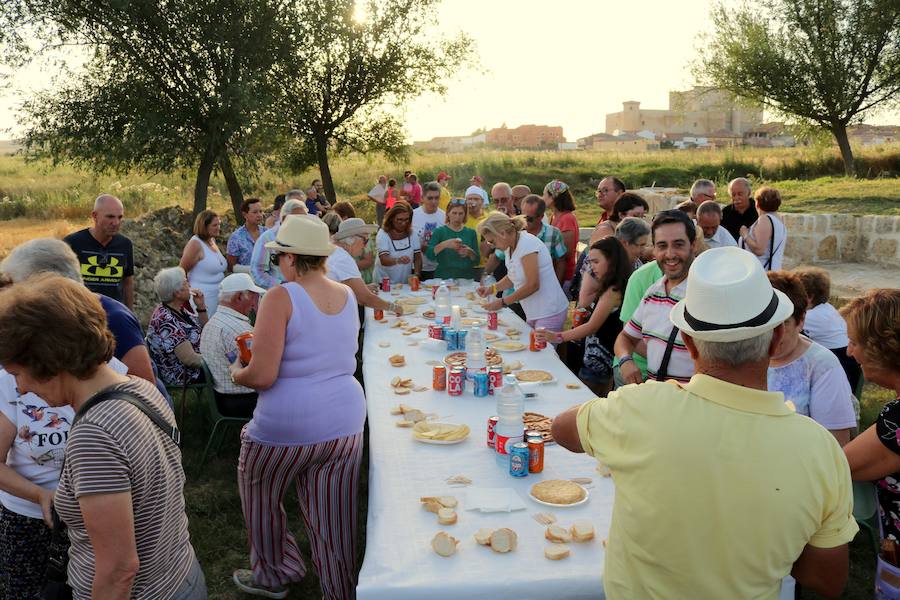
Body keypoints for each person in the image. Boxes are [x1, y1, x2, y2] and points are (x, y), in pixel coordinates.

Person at [552, 247, 857, 600]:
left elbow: (562, 429)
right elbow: (828, 580)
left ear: (688, 343)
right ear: (775, 338)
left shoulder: (641, 407)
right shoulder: (820, 449)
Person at [0, 276, 206, 599]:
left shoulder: (94, 435)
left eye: (17, 374)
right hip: (180, 574)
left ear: (49, 360)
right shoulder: (140, 389)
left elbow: (118, 570)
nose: (21, 388)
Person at [229, 217, 365, 600]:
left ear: (289, 258)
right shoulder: (347, 294)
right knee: (334, 519)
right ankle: (339, 590)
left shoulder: (281, 296)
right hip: (345, 421)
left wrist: (237, 372)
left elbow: (263, 375)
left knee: (260, 496)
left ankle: (275, 573)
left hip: (285, 426)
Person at [0, 333, 128, 599]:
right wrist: (40, 494)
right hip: (30, 518)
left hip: (98, 513)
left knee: (93, 583)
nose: (21, 387)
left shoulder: (107, 370)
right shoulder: (9, 382)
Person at [0, 238, 157, 386]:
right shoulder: (45, 321)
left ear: (52, 285)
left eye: (17, 287)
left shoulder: (113, 318)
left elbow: (145, 389)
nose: (12, 297)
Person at [841, 290, 900, 596]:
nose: (850, 352)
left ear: (883, 347)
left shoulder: (897, 423)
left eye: (855, 342)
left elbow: (839, 465)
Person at [766, 271, 856, 445]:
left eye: (782, 324)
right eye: (764, 323)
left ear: (801, 321)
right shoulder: (744, 353)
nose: (771, 334)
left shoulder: (822, 367)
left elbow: (835, 443)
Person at [537, 237, 632, 395]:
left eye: (596, 262)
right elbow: (585, 301)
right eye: (589, 262)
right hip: (599, 357)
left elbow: (592, 326)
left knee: (583, 398)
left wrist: (557, 336)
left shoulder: (612, 291)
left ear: (612, 260)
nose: (591, 267)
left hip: (600, 359)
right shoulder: (609, 285)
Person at [614, 210, 697, 385]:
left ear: (693, 245)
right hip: (657, 400)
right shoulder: (654, 292)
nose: (670, 254)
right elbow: (626, 337)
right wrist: (625, 360)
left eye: (678, 244)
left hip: (692, 405)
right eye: (662, 246)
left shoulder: (704, 296)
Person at [476, 212, 569, 334]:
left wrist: (503, 302)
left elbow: (533, 285)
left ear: (503, 233)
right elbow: (513, 277)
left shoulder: (527, 244)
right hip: (535, 311)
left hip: (549, 311)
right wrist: (492, 289)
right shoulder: (510, 246)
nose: (492, 246)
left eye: (492, 241)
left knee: (539, 352)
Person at [199, 274, 264, 418]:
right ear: (239, 297)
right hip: (244, 401)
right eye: (253, 296)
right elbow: (260, 373)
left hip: (222, 397)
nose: (255, 303)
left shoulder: (212, 322)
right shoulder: (241, 331)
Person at [793, 266, 862, 391]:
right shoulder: (827, 309)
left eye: (795, 293)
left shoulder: (811, 317)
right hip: (849, 362)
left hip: (839, 363)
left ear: (809, 297)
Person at [63, 193, 135, 309]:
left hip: (115, 315)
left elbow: (128, 283)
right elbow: (60, 282)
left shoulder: (125, 245)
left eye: (120, 217)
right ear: (95, 216)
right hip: (83, 314)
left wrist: (129, 314)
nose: (116, 222)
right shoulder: (72, 243)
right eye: (110, 217)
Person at [327, 218, 402, 315]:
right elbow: (365, 299)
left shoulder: (336, 252)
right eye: (365, 241)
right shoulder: (343, 258)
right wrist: (394, 307)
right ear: (351, 239)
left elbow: (343, 285)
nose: (365, 246)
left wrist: (363, 287)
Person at [147, 267, 207, 386]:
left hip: (195, 367)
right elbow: (190, 359)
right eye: (185, 283)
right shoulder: (166, 320)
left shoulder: (178, 309)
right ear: (177, 293)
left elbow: (206, 330)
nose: (189, 285)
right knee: (227, 370)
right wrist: (217, 360)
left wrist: (201, 307)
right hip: (184, 374)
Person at [250, 198, 308, 289]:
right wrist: (282, 285)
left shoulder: (309, 235)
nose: (303, 222)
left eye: (305, 218)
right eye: (299, 219)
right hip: (279, 294)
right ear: (284, 219)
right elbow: (257, 271)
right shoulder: (268, 238)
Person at [179, 209, 227, 316]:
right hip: (203, 298)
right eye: (215, 225)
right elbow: (181, 271)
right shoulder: (195, 244)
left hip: (218, 295)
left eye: (219, 224)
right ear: (204, 227)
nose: (218, 228)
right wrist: (188, 291)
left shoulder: (211, 241)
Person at [425, 199, 479, 280]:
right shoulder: (439, 231)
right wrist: (445, 244)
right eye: (454, 213)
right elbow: (430, 255)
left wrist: (470, 252)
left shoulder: (471, 233)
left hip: (466, 278)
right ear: (448, 213)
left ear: (465, 215)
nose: (457, 217)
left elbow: (477, 261)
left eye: (461, 213)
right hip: (443, 278)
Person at [740, 186, 787, 271]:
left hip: (760, 272)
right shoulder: (780, 219)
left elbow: (759, 250)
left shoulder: (765, 219)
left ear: (757, 203)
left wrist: (745, 234)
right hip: (773, 271)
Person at [543, 180, 579, 290]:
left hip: (563, 276)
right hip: (553, 273)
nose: (542, 198)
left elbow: (566, 252)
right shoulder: (553, 217)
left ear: (553, 197)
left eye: (544, 194)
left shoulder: (567, 219)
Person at [376, 202, 421, 284]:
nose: (403, 223)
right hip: (384, 282)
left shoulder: (413, 233)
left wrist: (416, 275)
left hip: (404, 283)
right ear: (391, 218)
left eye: (406, 219)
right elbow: (383, 260)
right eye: (400, 219)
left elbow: (417, 257)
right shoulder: (383, 234)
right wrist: (398, 260)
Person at [413, 182, 446, 281]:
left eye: (437, 198)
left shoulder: (445, 217)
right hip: (415, 267)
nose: (434, 201)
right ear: (422, 198)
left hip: (437, 268)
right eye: (430, 198)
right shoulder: (412, 215)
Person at [227, 198, 267, 273]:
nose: (259, 215)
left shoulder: (267, 233)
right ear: (245, 215)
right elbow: (231, 267)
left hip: (267, 281)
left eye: (260, 211)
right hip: (246, 281)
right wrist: (252, 270)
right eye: (255, 212)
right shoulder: (236, 237)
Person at [465, 186, 491, 280]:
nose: (472, 202)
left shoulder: (488, 218)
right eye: (469, 199)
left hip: (483, 266)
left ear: (482, 201)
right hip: (464, 266)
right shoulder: (461, 217)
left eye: (476, 199)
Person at [721, 177, 758, 242]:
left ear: (748, 193)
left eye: (740, 194)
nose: (736, 198)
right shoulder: (725, 213)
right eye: (733, 195)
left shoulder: (758, 209)